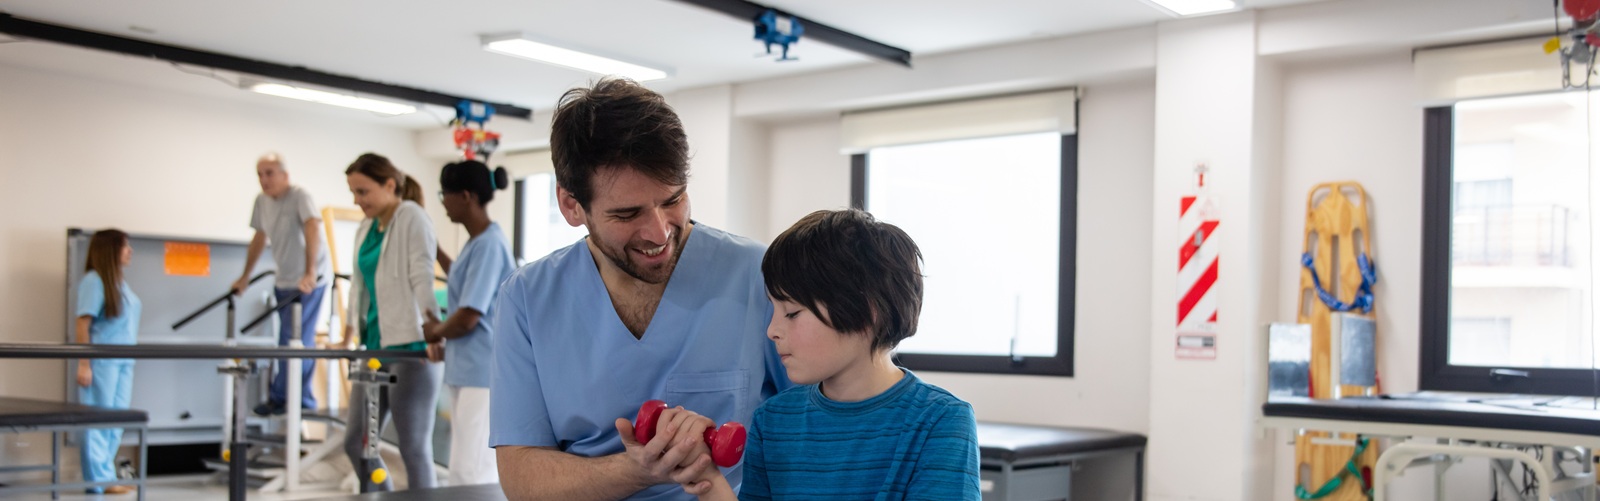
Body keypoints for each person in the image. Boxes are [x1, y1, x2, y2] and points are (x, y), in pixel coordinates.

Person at [489, 77, 791, 501]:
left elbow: (818, 421)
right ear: (572, 205)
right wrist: (637, 471)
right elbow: (522, 475)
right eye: (627, 213)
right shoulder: (527, 298)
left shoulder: (757, 275)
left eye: (673, 200)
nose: (659, 231)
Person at [673, 209, 981, 501]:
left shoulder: (941, 421)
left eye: (792, 312)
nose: (771, 331)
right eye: (773, 310)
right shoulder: (773, 420)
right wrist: (708, 480)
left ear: (865, 313)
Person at [340, 152, 442, 491]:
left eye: (363, 191)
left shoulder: (411, 216)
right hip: (374, 348)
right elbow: (358, 286)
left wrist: (434, 332)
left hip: (411, 348)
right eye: (353, 192)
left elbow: (421, 277)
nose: (357, 200)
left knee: (412, 448)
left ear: (389, 184)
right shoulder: (366, 228)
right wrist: (348, 336)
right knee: (356, 442)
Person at [424, 160, 515, 486]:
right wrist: (432, 250)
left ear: (465, 196)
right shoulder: (477, 243)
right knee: (463, 465)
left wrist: (435, 330)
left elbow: (467, 316)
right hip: (467, 369)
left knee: (471, 471)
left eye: (444, 195)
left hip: (482, 372)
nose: (443, 202)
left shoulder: (489, 244)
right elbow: (462, 281)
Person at [232, 153, 333, 416]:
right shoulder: (261, 201)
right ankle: (290, 396)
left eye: (270, 173)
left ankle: (296, 398)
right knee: (285, 339)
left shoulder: (300, 196)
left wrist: (310, 272)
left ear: (285, 175)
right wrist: (244, 277)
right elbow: (258, 238)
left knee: (298, 339)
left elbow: (313, 229)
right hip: (284, 279)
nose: (264, 179)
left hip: (310, 281)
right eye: (260, 174)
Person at [74, 229, 141, 495]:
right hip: (101, 361)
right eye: (125, 246)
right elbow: (83, 323)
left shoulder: (120, 283)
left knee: (115, 421)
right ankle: (97, 481)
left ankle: (106, 475)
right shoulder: (94, 280)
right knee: (98, 420)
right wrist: (83, 363)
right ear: (110, 250)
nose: (130, 251)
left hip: (124, 361)